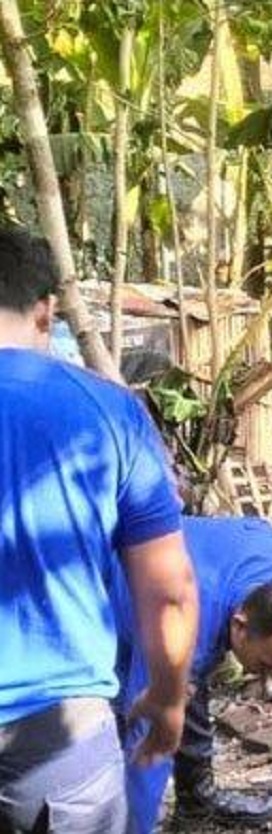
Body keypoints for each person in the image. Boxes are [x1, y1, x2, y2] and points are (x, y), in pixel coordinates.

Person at [0, 227, 199, 833]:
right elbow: (168, 589)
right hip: (57, 738)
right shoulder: (107, 413)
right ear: (45, 311)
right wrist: (168, 697)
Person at [113, 515, 272, 832]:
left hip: (186, 583)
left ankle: (197, 801)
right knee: (120, 719)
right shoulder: (180, 629)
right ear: (240, 627)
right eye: (269, 665)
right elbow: (146, 736)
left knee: (188, 688)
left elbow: (252, 526)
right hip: (111, 593)